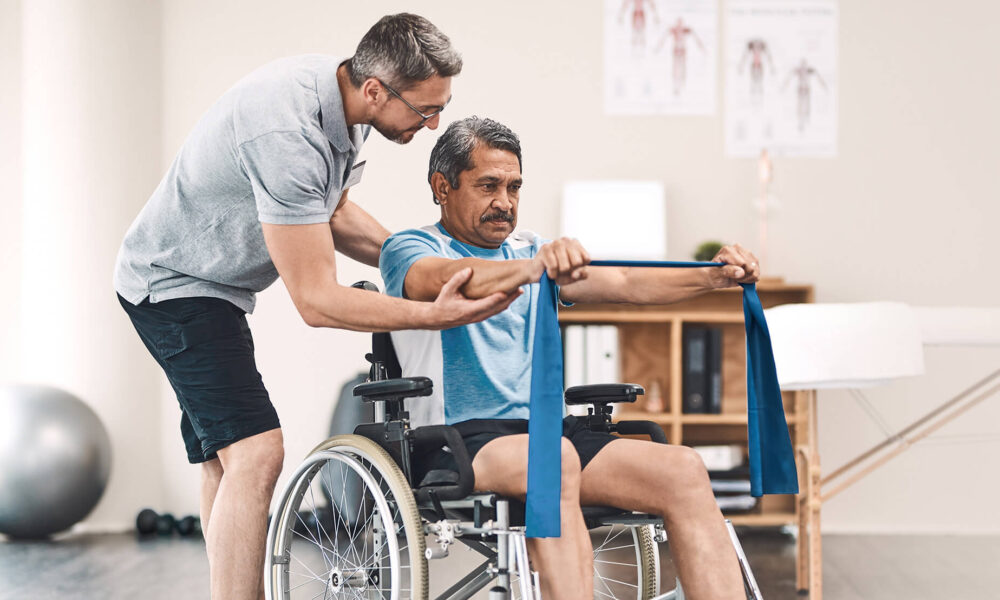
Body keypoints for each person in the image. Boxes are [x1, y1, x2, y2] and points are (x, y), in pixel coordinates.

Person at [114, 15, 518, 600]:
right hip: (175, 285)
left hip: (214, 288)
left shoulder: (346, 108)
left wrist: (414, 259)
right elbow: (317, 301)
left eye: (441, 109)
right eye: (424, 111)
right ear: (377, 89)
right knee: (257, 452)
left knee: (227, 461)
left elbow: (329, 212)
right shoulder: (284, 131)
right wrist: (434, 314)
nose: (432, 126)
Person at [380, 116, 760, 599]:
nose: (505, 202)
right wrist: (533, 268)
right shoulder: (410, 247)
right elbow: (446, 279)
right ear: (442, 186)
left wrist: (713, 277)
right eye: (488, 186)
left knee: (682, 469)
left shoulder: (529, 248)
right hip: (458, 439)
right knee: (553, 460)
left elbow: (622, 281)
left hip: (547, 432)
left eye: (514, 187)